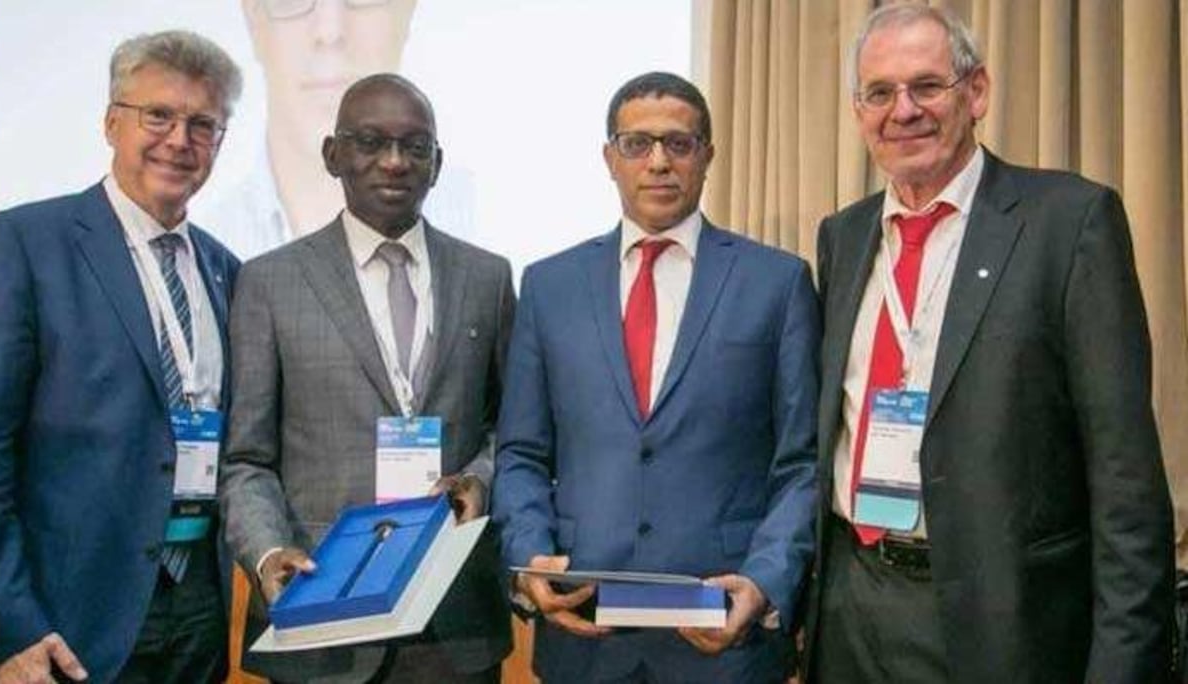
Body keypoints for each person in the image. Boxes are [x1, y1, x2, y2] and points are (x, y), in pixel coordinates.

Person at [805, 5, 1176, 683]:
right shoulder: (844, 236)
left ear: (976, 92)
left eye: (927, 86)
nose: (903, 110)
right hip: (852, 609)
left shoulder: (1069, 222)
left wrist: (1125, 663)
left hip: (1004, 624)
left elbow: (1125, 480)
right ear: (859, 112)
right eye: (880, 93)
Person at [492, 71, 820, 683]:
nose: (659, 161)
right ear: (609, 158)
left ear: (707, 156)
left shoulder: (777, 283)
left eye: (679, 143)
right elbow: (521, 454)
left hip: (726, 633)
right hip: (584, 631)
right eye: (637, 144)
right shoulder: (549, 286)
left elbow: (801, 462)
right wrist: (530, 555)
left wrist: (766, 579)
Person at [220, 73, 513, 682]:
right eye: (371, 142)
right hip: (320, 611)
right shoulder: (269, 282)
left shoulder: (487, 277)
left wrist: (480, 481)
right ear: (333, 155)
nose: (395, 161)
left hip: (454, 622)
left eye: (415, 146)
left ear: (437, 163)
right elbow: (246, 458)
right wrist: (267, 553)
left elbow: (511, 430)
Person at [0, 30, 243, 683]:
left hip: (199, 611)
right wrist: (10, 623)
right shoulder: (21, 243)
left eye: (202, 124)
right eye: (159, 115)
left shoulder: (228, 271)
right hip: (65, 619)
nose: (179, 140)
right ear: (110, 122)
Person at [203, 0, 474, 259]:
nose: (330, 32)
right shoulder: (212, 258)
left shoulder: (479, 235)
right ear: (253, 16)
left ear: (408, 7)